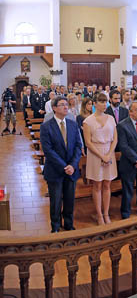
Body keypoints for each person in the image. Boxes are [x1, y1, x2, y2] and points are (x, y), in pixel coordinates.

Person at [40, 96, 83, 232]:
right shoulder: (46, 126)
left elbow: (78, 145)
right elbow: (48, 150)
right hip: (55, 170)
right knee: (56, 201)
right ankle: (56, 227)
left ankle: (69, 224)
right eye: (62, 105)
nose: (66, 107)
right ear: (54, 108)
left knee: (70, 200)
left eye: (66, 104)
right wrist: (65, 166)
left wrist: (73, 165)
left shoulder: (72, 124)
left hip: (71, 169)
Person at [83, 93, 118, 225]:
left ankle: (106, 213)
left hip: (109, 152)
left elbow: (115, 139)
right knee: (97, 185)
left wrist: (109, 154)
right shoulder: (88, 121)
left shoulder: (111, 118)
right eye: (101, 102)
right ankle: (99, 215)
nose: (105, 104)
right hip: (95, 153)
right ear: (95, 103)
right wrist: (102, 156)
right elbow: (88, 142)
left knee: (107, 184)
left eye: (106, 102)